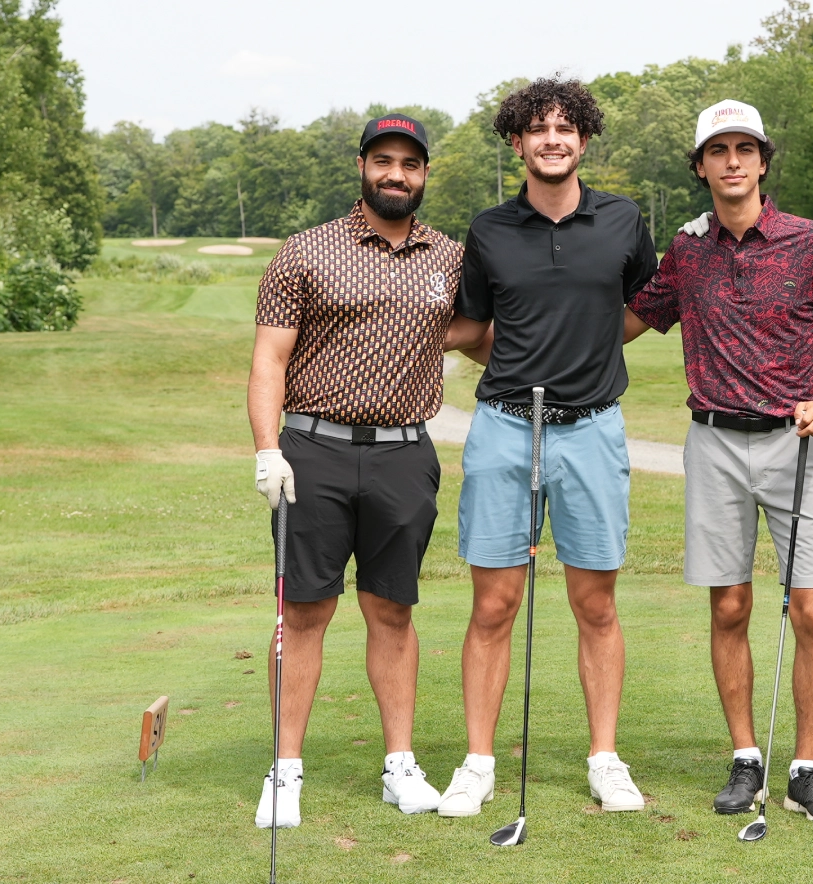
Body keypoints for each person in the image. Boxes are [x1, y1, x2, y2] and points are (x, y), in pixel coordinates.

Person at [629, 100, 813, 823]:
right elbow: (630, 320)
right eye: (717, 151)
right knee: (729, 604)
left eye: (745, 149)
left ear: (763, 162)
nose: (732, 161)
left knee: (812, 610)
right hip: (714, 443)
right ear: (700, 167)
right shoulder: (687, 249)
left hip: (798, 443)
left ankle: (806, 767)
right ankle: (744, 758)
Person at [246, 113, 477, 828]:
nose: (396, 174)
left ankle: (400, 766)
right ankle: (284, 772)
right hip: (311, 449)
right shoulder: (305, 252)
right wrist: (266, 448)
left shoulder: (451, 257)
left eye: (410, 163)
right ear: (362, 165)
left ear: (425, 173)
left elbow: (479, 333)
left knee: (393, 610)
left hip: (405, 453)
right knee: (305, 610)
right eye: (384, 160)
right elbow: (269, 362)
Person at [437, 78, 658, 817]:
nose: (553, 139)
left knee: (595, 603)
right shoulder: (489, 229)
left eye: (566, 128)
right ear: (517, 143)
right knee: (494, 603)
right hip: (503, 429)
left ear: (585, 139)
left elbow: (639, 309)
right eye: (539, 129)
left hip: (592, 429)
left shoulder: (624, 221)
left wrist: (589, 350)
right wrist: (508, 364)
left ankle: (605, 757)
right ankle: (477, 763)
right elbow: (471, 328)